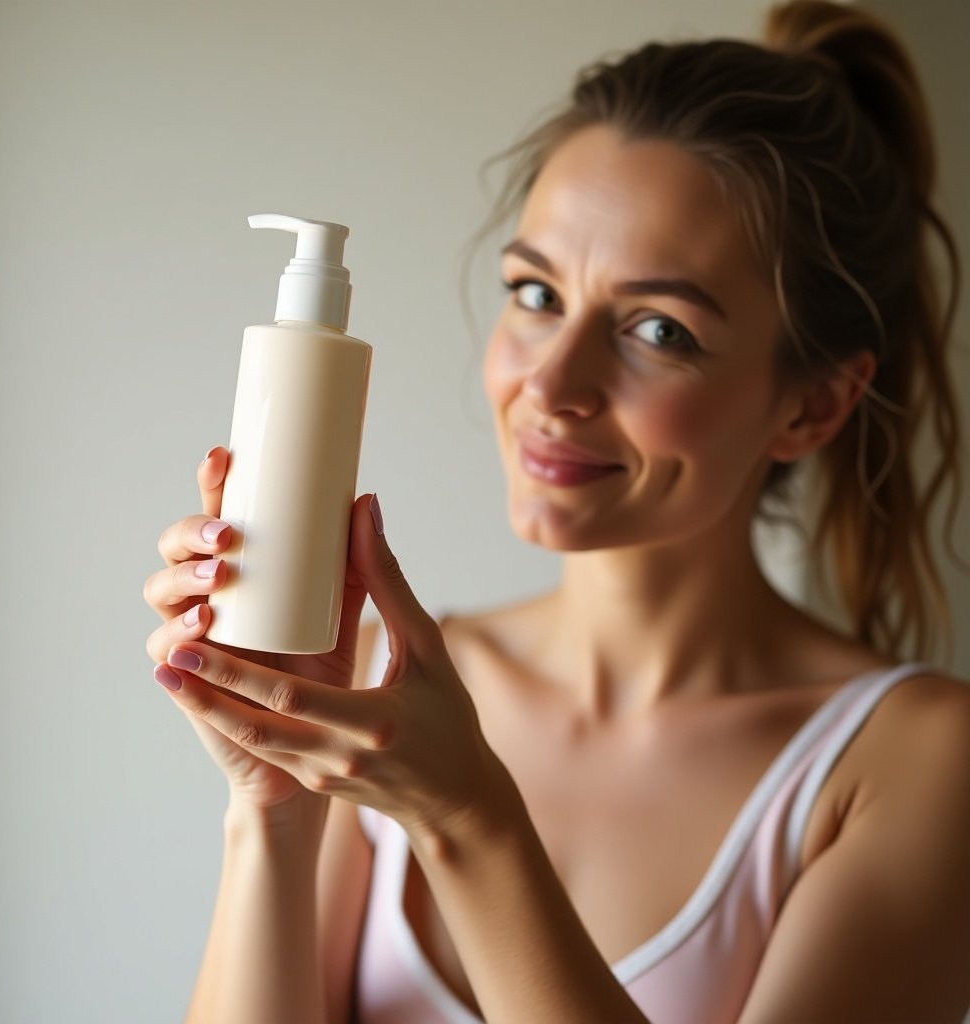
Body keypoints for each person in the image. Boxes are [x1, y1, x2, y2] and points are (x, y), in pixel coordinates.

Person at [143, 2, 970, 1021]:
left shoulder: (913, 760)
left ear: (811, 404)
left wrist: (468, 815)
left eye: (658, 327)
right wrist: (271, 803)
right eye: (535, 295)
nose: (552, 382)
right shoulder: (391, 692)